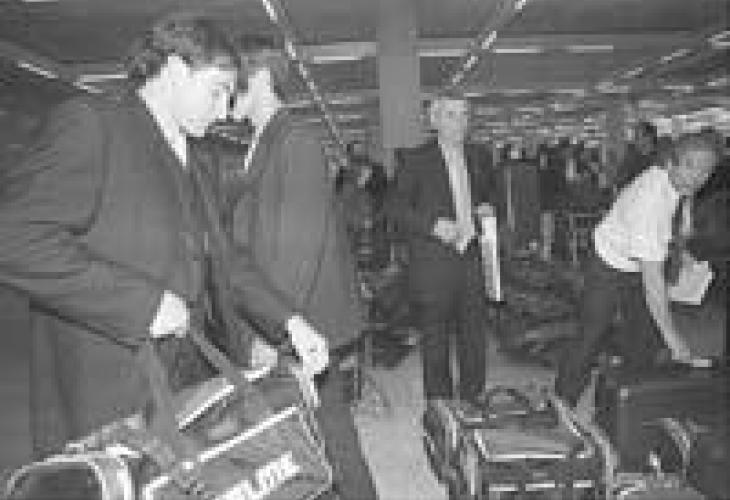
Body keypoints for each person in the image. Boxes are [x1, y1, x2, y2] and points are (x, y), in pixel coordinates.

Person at [0, 13, 327, 458]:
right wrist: (143, 304)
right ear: (174, 69)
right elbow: (15, 238)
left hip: (180, 375)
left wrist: (289, 320)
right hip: (106, 385)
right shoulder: (93, 125)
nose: (223, 111)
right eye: (217, 91)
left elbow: (224, 259)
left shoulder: (196, 155)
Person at [228, 40, 377, 499]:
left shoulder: (295, 140)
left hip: (304, 323)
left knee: (330, 432)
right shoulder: (261, 142)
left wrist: (275, 333)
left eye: (233, 79)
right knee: (316, 430)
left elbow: (298, 252)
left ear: (259, 79)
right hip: (289, 320)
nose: (226, 90)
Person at [555, 132, 723, 408]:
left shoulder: (677, 182)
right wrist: (675, 340)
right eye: (690, 166)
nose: (697, 177)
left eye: (706, 171)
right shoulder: (650, 204)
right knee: (592, 333)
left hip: (637, 262)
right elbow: (654, 283)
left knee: (643, 338)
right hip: (608, 263)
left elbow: (681, 203)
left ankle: (631, 402)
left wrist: (682, 239)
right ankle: (562, 402)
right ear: (671, 164)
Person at [388, 95, 497, 404]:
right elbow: (395, 208)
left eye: (464, 115)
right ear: (434, 120)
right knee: (435, 341)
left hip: (471, 258)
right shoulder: (415, 160)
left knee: (474, 338)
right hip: (433, 262)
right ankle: (440, 409)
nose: (460, 122)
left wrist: (486, 208)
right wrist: (432, 225)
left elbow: (486, 195)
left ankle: (472, 402)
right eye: (451, 115)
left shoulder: (479, 157)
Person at [615, 120, 658, 190]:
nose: (635, 141)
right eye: (635, 137)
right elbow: (620, 182)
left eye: (638, 137)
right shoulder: (631, 158)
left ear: (650, 137)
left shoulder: (658, 158)